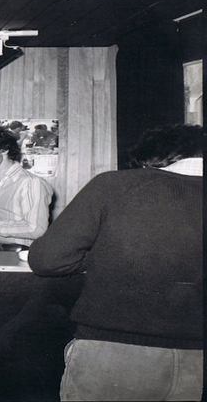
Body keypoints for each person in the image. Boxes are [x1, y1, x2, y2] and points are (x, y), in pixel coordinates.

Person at [28, 124, 204, 401]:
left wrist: (103, 257)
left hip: (114, 352)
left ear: (153, 156)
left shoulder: (114, 185)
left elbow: (47, 260)